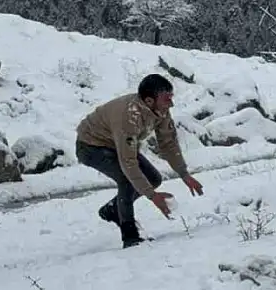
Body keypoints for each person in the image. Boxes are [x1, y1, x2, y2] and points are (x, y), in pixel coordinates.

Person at [75, 74, 204, 248]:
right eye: (167, 99)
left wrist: (184, 174)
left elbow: (168, 144)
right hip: (91, 146)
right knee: (127, 181)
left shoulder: (161, 110)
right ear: (149, 101)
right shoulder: (130, 117)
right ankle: (130, 237)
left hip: (115, 142)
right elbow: (128, 163)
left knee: (153, 179)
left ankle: (113, 209)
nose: (171, 104)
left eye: (171, 98)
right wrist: (152, 197)